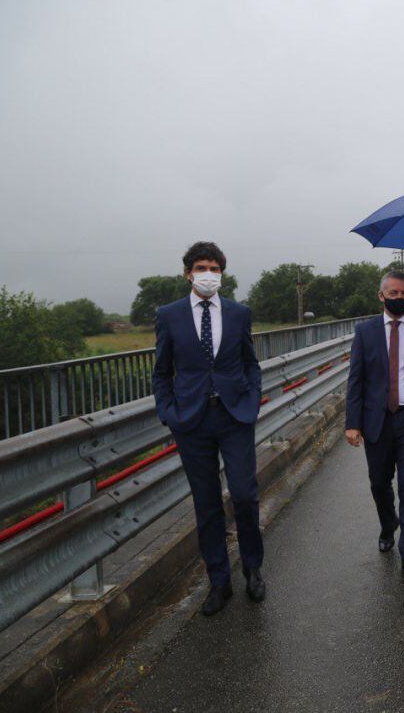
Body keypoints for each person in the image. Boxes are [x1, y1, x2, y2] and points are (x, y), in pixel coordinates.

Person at [152, 241, 265, 616]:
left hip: (234, 417)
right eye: (202, 267)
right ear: (187, 273)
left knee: (245, 495)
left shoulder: (238, 313)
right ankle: (219, 581)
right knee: (207, 504)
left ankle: (252, 567)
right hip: (192, 421)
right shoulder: (168, 315)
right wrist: (168, 411)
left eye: (215, 268)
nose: (209, 274)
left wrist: (251, 400)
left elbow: (251, 364)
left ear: (222, 273)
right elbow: (161, 371)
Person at [345, 270, 404, 582]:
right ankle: (389, 525)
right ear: (381, 296)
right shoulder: (365, 332)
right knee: (379, 483)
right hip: (377, 420)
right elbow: (356, 380)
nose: (399, 298)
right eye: (394, 293)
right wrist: (352, 423)